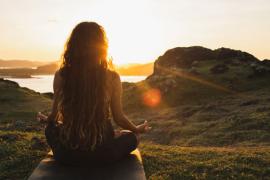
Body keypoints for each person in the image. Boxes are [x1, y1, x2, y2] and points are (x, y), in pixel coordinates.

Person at [38, 22, 150, 166]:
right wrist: (136, 129)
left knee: (50, 129)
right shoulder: (112, 77)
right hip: (104, 153)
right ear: (101, 47)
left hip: (67, 154)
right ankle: (108, 138)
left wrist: (46, 120)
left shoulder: (61, 75)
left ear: (73, 45)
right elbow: (119, 118)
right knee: (133, 137)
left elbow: (53, 117)